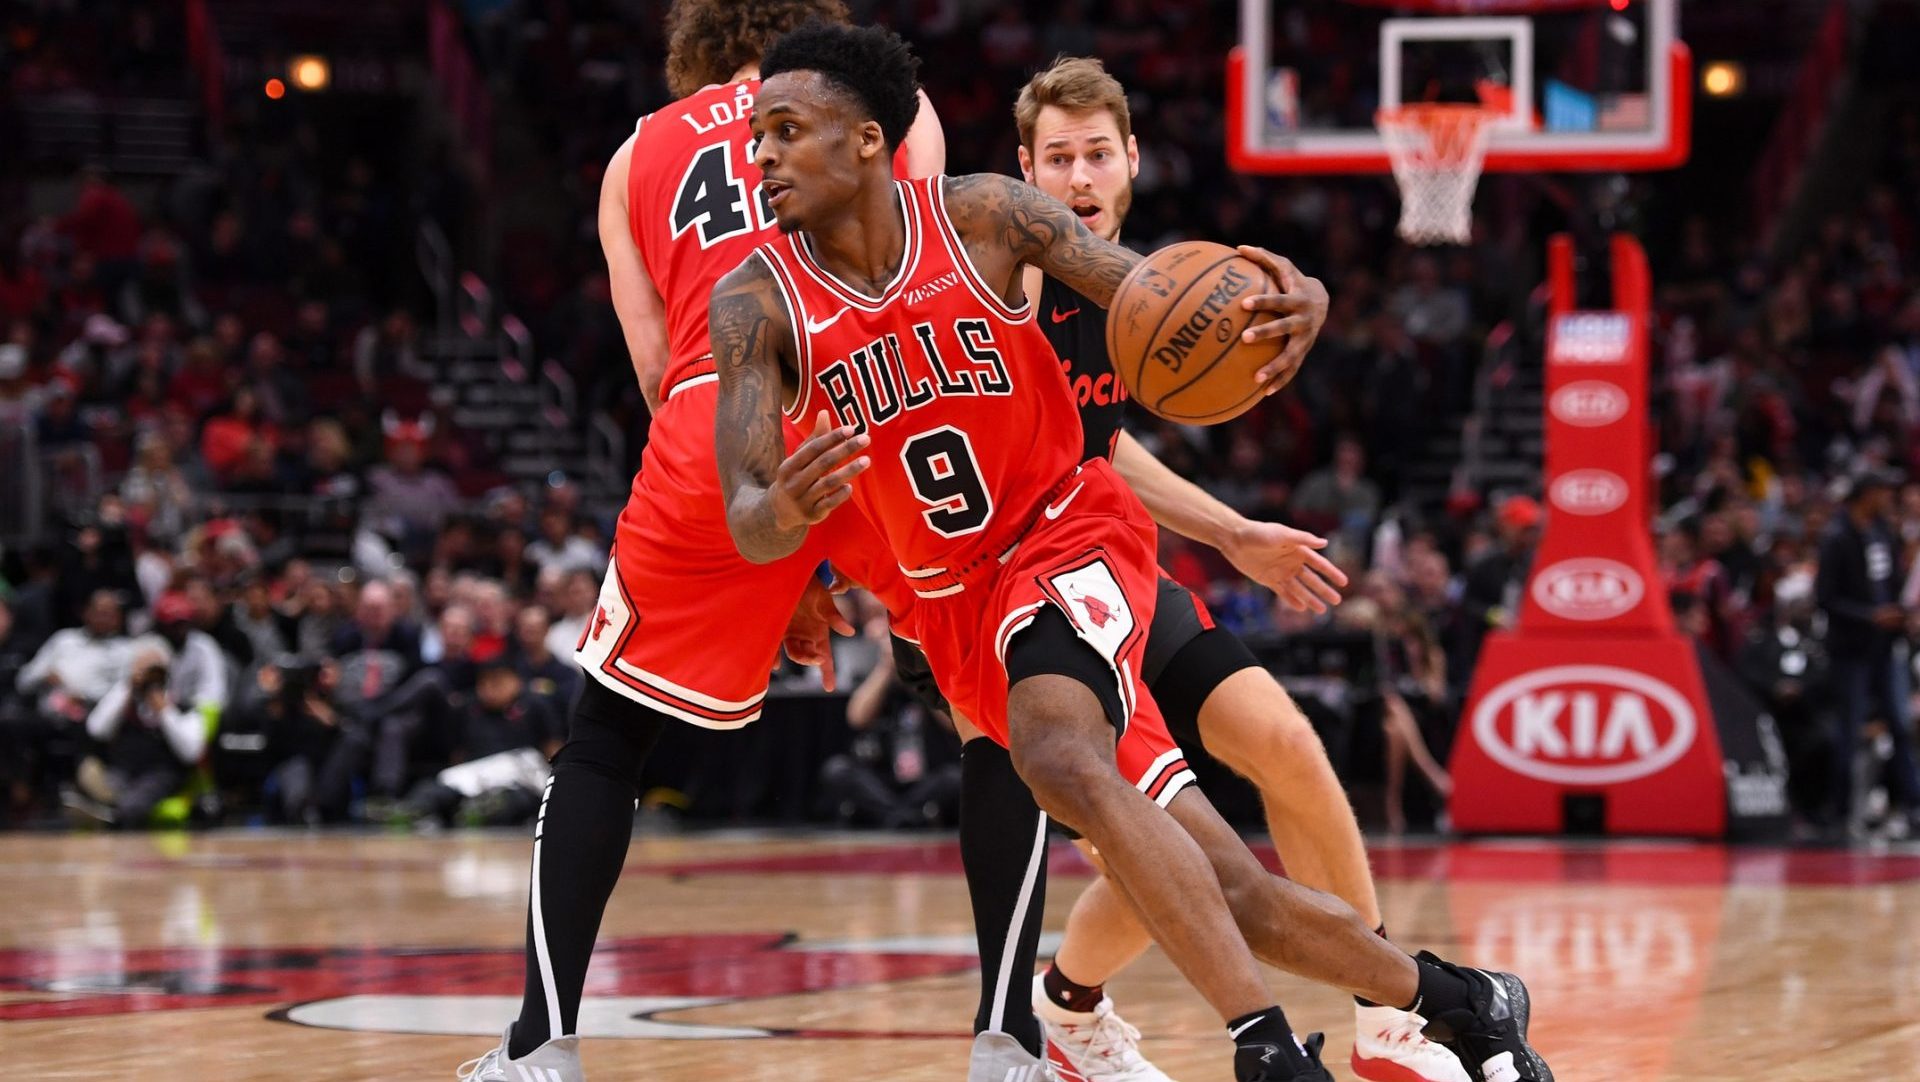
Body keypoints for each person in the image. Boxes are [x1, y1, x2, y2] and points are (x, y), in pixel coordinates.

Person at [711, 23, 1549, 1082]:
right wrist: (779, 517)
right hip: (954, 610)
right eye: (757, 136)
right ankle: (1462, 998)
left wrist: (1289, 296)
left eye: (787, 130)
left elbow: (1160, 295)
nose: (764, 156)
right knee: (1225, 884)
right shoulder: (751, 302)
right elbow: (743, 508)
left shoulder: (985, 218)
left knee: (1072, 756)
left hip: (1070, 530)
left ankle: (1266, 1049)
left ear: (871, 140)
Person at [900, 56, 1462, 1082]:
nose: (1077, 176)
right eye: (1056, 157)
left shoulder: (1150, 295)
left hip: (1109, 556)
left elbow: (1103, 445)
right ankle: (1066, 1006)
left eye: (1096, 154)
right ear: (1024, 171)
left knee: (1286, 744)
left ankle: (1389, 1010)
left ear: (1132, 162)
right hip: (1011, 591)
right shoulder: (1010, 267)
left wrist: (1236, 526)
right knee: (1166, 847)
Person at [455, 3, 946, 1078]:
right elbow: (919, 280)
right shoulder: (879, 110)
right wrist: (827, 541)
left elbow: (650, 367)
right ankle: (1012, 1035)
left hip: (715, 421)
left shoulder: (638, 150)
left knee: (606, 741)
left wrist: (769, 536)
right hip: (880, 399)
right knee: (987, 701)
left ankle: (540, 1046)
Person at [1817, 465, 1919, 837]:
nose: (1887, 497)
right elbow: (1825, 599)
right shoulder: (1837, 537)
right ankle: (1840, 811)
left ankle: (1913, 806)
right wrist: (1869, 616)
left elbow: (1891, 584)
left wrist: (1900, 614)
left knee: (1899, 726)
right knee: (1850, 727)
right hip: (1851, 648)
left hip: (1884, 647)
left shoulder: (1882, 533)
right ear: (1865, 494)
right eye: (1881, 490)